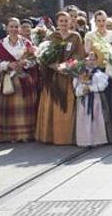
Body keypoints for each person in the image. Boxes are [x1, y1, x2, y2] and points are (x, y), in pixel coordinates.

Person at [36, 12, 85, 145]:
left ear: (71, 22)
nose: (63, 23)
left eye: (66, 21)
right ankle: (50, 136)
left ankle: (66, 137)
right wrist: (53, 65)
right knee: (52, 105)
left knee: (67, 105)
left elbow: (79, 56)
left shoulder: (75, 37)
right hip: (52, 77)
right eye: (61, 21)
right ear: (57, 23)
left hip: (67, 76)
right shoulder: (52, 36)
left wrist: (66, 66)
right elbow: (43, 55)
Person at [0, 18, 38, 142]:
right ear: (7, 28)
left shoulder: (26, 43)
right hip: (9, 79)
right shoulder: (1, 44)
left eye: (16, 27)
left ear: (19, 28)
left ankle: (26, 134)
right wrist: (8, 65)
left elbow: (34, 60)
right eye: (11, 27)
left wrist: (26, 63)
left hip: (24, 78)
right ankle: (10, 135)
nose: (13, 29)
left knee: (25, 106)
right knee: (9, 106)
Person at [73, 51, 111, 147]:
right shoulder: (80, 73)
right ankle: (85, 141)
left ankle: (97, 140)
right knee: (84, 119)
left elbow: (103, 85)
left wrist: (91, 88)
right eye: (89, 59)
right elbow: (76, 87)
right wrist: (82, 90)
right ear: (85, 60)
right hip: (83, 101)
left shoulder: (99, 73)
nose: (91, 61)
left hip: (96, 100)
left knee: (97, 119)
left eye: (94, 59)